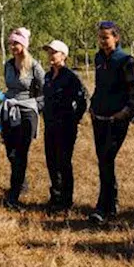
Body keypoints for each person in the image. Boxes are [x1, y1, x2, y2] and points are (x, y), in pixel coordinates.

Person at [88, 21, 134, 224]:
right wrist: (92, 106)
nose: (102, 41)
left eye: (106, 37)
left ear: (116, 38)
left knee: (107, 158)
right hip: (98, 117)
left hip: (117, 118)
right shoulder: (98, 57)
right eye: (100, 37)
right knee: (103, 160)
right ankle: (111, 203)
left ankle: (103, 205)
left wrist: (125, 112)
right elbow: (99, 85)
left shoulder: (126, 60)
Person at [0, 27, 45, 208]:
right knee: (10, 151)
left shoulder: (34, 66)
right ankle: (21, 181)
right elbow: (8, 86)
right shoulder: (8, 65)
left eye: (16, 43)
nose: (13, 47)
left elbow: (44, 88)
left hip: (27, 112)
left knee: (21, 152)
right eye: (11, 43)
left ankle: (14, 192)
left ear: (24, 45)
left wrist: (37, 106)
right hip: (9, 110)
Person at [41, 39, 88, 211]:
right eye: (49, 52)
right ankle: (55, 196)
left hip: (65, 126)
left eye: (54, 52)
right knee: (51, 161)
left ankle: (66, 200)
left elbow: (83, 99)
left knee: (63, 162)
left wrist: (74, 119)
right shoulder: (47, 76)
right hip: (50, 125)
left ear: (64, 55)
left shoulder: (71, 77)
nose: (51, 55)